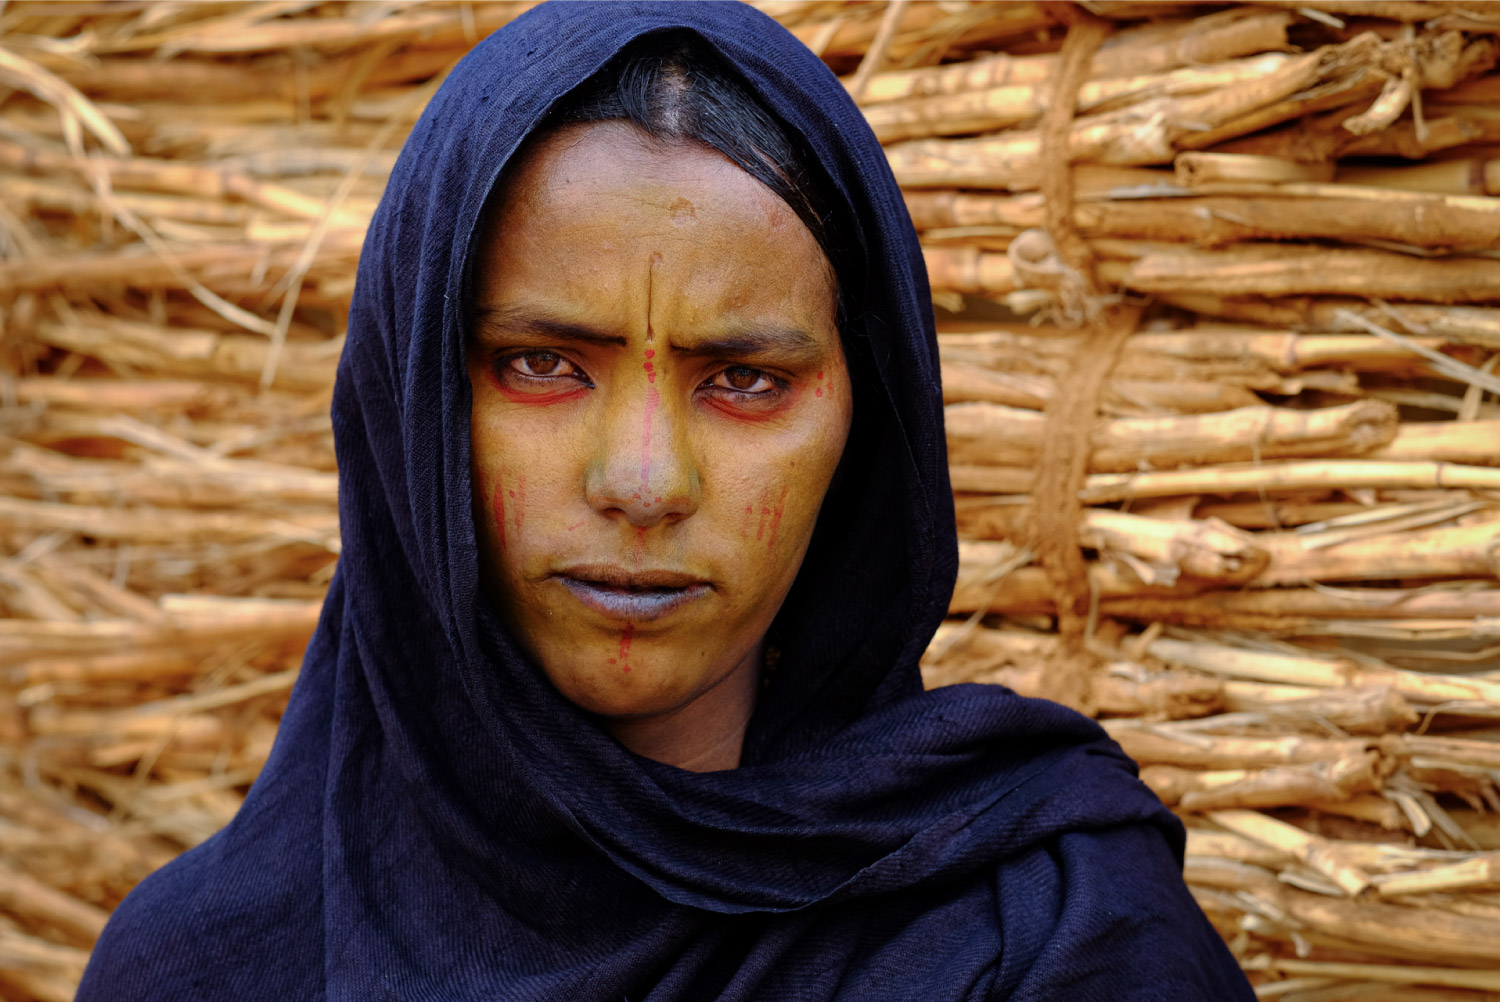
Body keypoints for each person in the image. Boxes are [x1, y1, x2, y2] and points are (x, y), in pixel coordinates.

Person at [77, 3, 1256, 999]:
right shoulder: (208, 967)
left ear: (864, 426)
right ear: (415, 407)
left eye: (745, 380)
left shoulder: (1049, 937)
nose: (643, 483)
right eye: (542, 365)